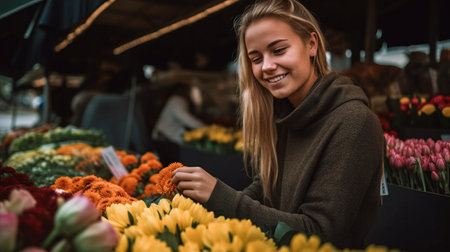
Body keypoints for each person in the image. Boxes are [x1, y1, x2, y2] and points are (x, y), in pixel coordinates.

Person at [173, 0, 384, 249]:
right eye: (256, 58)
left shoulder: (353, 122)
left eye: (279, 50)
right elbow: (266, 188)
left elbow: (320, 233)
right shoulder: (285, 112)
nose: (267, 66)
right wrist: (208, 204)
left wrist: (222, 197)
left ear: (312, 44)